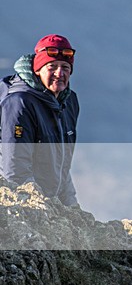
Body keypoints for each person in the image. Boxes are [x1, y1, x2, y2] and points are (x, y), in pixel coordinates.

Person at [0, 34, 80, 206]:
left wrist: (72, 209)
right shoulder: (19, 103)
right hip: (21, 204)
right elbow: (15, 170)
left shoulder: (68, 102)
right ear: (37, 70)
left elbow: (62, 165)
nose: (60, 73)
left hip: (51, 203)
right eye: (52, 67)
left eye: (65, 67)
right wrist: (42, 213)